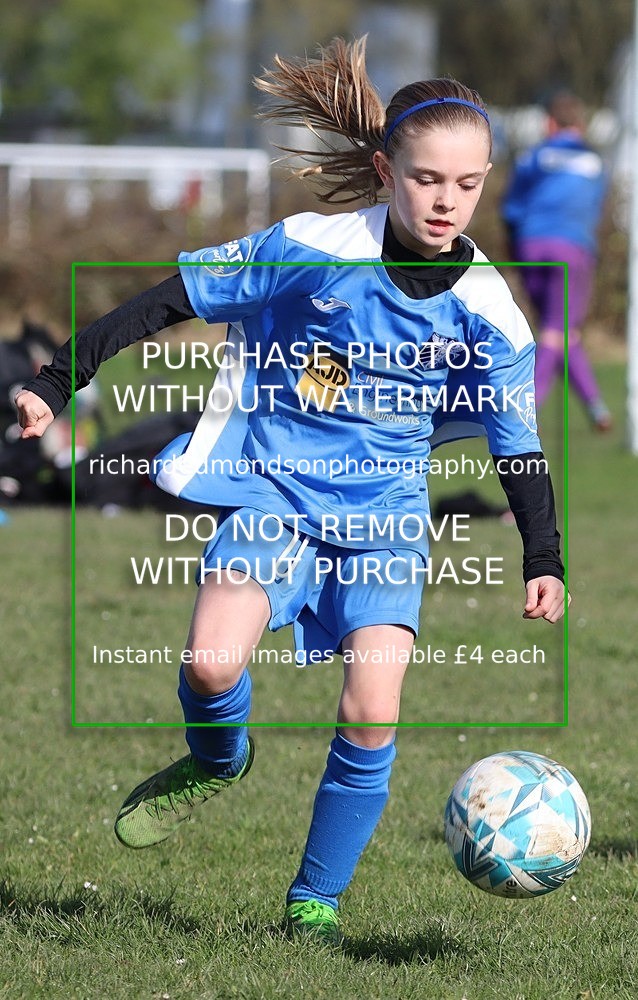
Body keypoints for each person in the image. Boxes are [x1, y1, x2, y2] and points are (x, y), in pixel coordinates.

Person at [15, 38, 567, 945]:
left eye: (467, 186)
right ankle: (216, 759)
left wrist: (543, 558)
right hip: (276, 498)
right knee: (209, 665)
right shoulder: (312, 247)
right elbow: (173, 298)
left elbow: (519, 445)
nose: (445, 201)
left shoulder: (487, 307)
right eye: (428, 178)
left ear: (484, 185)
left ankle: (314, 902)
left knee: (372, 707)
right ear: (386, 170)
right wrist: (55, 376)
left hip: (386, 520)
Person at [501, 90, 612, 431]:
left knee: (561, 331)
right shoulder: (597, 164)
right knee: (556, 331)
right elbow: (594, 210)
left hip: (531, 246)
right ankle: (524, 410)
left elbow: (511, 208)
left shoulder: (533, 157)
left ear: (550, 122)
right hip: (571, 249)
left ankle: (596, 408)